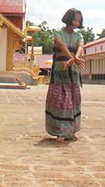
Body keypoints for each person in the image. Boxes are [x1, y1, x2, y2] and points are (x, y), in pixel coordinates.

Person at [45, 8, 85, 143]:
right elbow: (61, 45)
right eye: (75, 19)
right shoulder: (58, 33)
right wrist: (72, 58)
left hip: (73, 73)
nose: (77, 22)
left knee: (74, 101)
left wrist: (76, 58)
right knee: (61, 101)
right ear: (69, 18)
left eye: (79, 20)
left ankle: (70, 131)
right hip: (60, 71)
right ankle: (59, 132)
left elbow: (80, 47)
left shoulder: (79, 36)